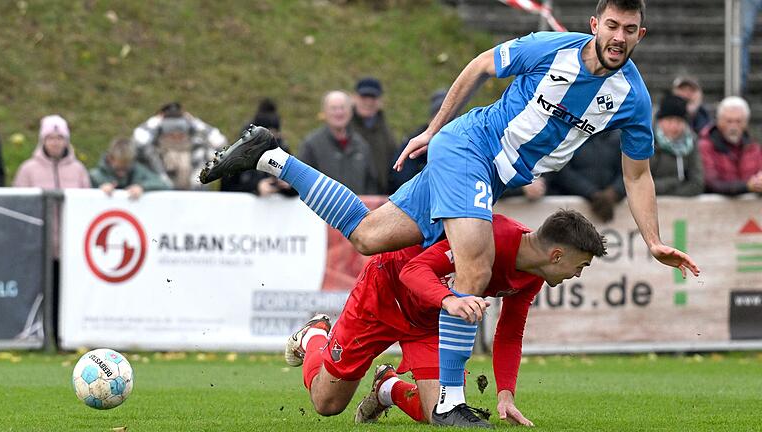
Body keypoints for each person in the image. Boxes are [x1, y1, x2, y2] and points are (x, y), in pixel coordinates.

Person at [200, 0, 699, 424]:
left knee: (369, 236)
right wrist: (435, 128)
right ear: (596, 24)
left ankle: (270, 155)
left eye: (629, 30)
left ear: (641, 35)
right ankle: (452, 404)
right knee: (475, 268)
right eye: (612, 25)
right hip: (469, 147)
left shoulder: (632, 98)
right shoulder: (553, 49)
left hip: (491, 175)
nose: (618, 37)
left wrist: (653, 240)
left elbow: (637, 175)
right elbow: (482, 65)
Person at [285, 210, 606, 428]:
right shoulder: (489, 235)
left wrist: (505, 393)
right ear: (557, 255)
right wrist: (450, 299)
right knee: (327, 405)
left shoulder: (533, 275)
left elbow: (509, 334)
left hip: (432, 318)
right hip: (385, 294)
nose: (577, 274)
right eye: (581, 265)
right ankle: (314, 335)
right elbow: (413, 271)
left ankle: (388, 387)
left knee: (439, 412)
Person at [12, 114, 91, 345]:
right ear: (42, 140)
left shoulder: (78, 170)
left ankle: (64, 339)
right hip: (38, 247)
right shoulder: (28, 170)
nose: (55, 142)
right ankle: (38, 338)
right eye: (50, 138)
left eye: (60, 138)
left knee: (66, 294)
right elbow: (20, 206)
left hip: (69, 247)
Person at [297, 90, 378, 195]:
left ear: (350, 111)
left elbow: (371, 184)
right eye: (333, 108)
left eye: (343, 108)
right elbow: (302, 180)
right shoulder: (311, 145)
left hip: (356, 209)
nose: (339, 112)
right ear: (324, 112)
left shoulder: (362, 145)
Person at [132, 102, 227, 190]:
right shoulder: (153, 153)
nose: (176, 138)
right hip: (161, 200)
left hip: (194, 200)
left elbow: (221, 144)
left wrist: (194, 122)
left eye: (181, 134)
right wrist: (157, 120)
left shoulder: (198, 150)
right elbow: (139, 141)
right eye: (171, 135)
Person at [544, 129, 626, 222]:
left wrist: (614, 192)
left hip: (612, 210)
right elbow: (560, 169)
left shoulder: (621, 137)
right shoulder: (567, 134)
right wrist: (591, 193)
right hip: (569, 211)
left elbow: (631, 170)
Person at [220, 99, 297, 197]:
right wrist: (255, 188)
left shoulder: (282, 151)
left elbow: (300, 188)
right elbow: (226, 190)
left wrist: (289, 186)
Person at [698, 96, 762, 195]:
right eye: (729, 121)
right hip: (715, 208)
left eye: (738, 121)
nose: (733, 126)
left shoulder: (754, 148)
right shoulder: (705, 146)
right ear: (719, 121)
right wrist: (747, 186)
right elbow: (712, 183)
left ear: (746, 123)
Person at [350, 77, 399, 194]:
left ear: (380, 101)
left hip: (379, 198)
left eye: (373, 97)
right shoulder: (343, 129)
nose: (368, 102)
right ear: (354, 98)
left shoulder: (386, 133)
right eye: (364, 97)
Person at [649, 94, 704, 196]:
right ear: (660, 121)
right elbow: (644, 184)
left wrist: (674, 195)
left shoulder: (691, 142)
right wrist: (674, 182)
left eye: (679, 121)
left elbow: (697, 184)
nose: (674, 126)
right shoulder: (648, 141)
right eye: (669, 120)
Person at [89, 137, 171, 199]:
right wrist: (99, 189)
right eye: (118, 169)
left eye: (126, 169)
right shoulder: (96, 175)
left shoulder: (138, 170)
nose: (122, 173)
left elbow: (164, 184)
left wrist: (142, 187)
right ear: (110, 159)